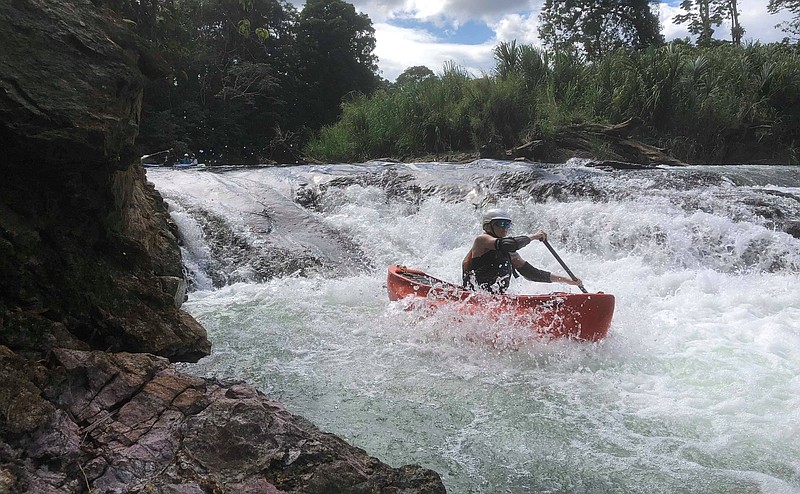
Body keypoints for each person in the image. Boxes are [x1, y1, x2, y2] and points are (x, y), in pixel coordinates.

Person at [462, 208, 583, 294]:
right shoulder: (482, 240)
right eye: (500, 224)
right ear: (487, 226)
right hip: (477, 296)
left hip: (496, 300)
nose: (505, 228)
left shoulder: (506, 250)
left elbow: (530, 273)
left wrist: (566, 280)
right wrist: (534, 236)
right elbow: (509, 244)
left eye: (507, 224)